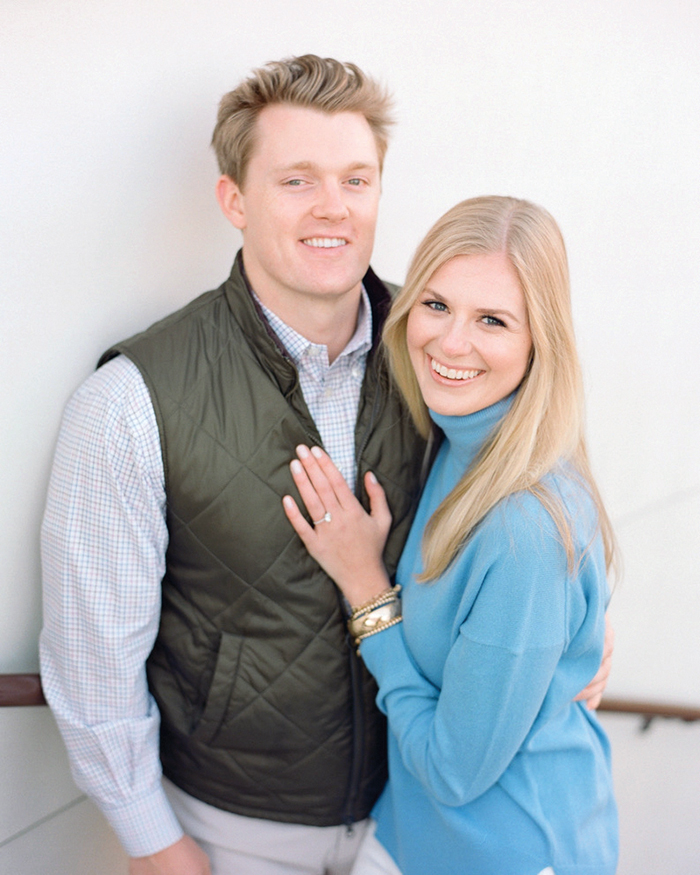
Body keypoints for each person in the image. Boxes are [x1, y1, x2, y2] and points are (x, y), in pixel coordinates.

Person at [39, 54, 611, 875]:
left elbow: (533, 477)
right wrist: (154, 842)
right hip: (238, 831)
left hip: (407, 827)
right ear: (234, 199)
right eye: (297, 181)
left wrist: (571, 629)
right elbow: (93, 660)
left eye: (355, 180)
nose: (333, 208)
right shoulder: (131, 402)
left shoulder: (440, 350)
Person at [283, 196, 619, 875]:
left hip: (507, 851)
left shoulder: (524, 532)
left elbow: (452, 771)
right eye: (436, 305)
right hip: (414, 832)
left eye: (493, 320)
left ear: (540, 341)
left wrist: (366, 589)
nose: (452, 342)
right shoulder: (462, 437)